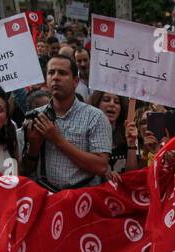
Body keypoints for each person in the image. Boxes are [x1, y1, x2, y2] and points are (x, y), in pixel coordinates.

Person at [24, 54, 113, 191]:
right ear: (46, 80)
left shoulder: (95, 117)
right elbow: (25, 170)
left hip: (83, 201)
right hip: (47, 199)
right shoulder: (36, 117)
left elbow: (100, 166)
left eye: (62, 73)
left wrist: (57, 140)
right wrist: (34, 146)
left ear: (75, 81)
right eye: (51, 73)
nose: (55, 77)